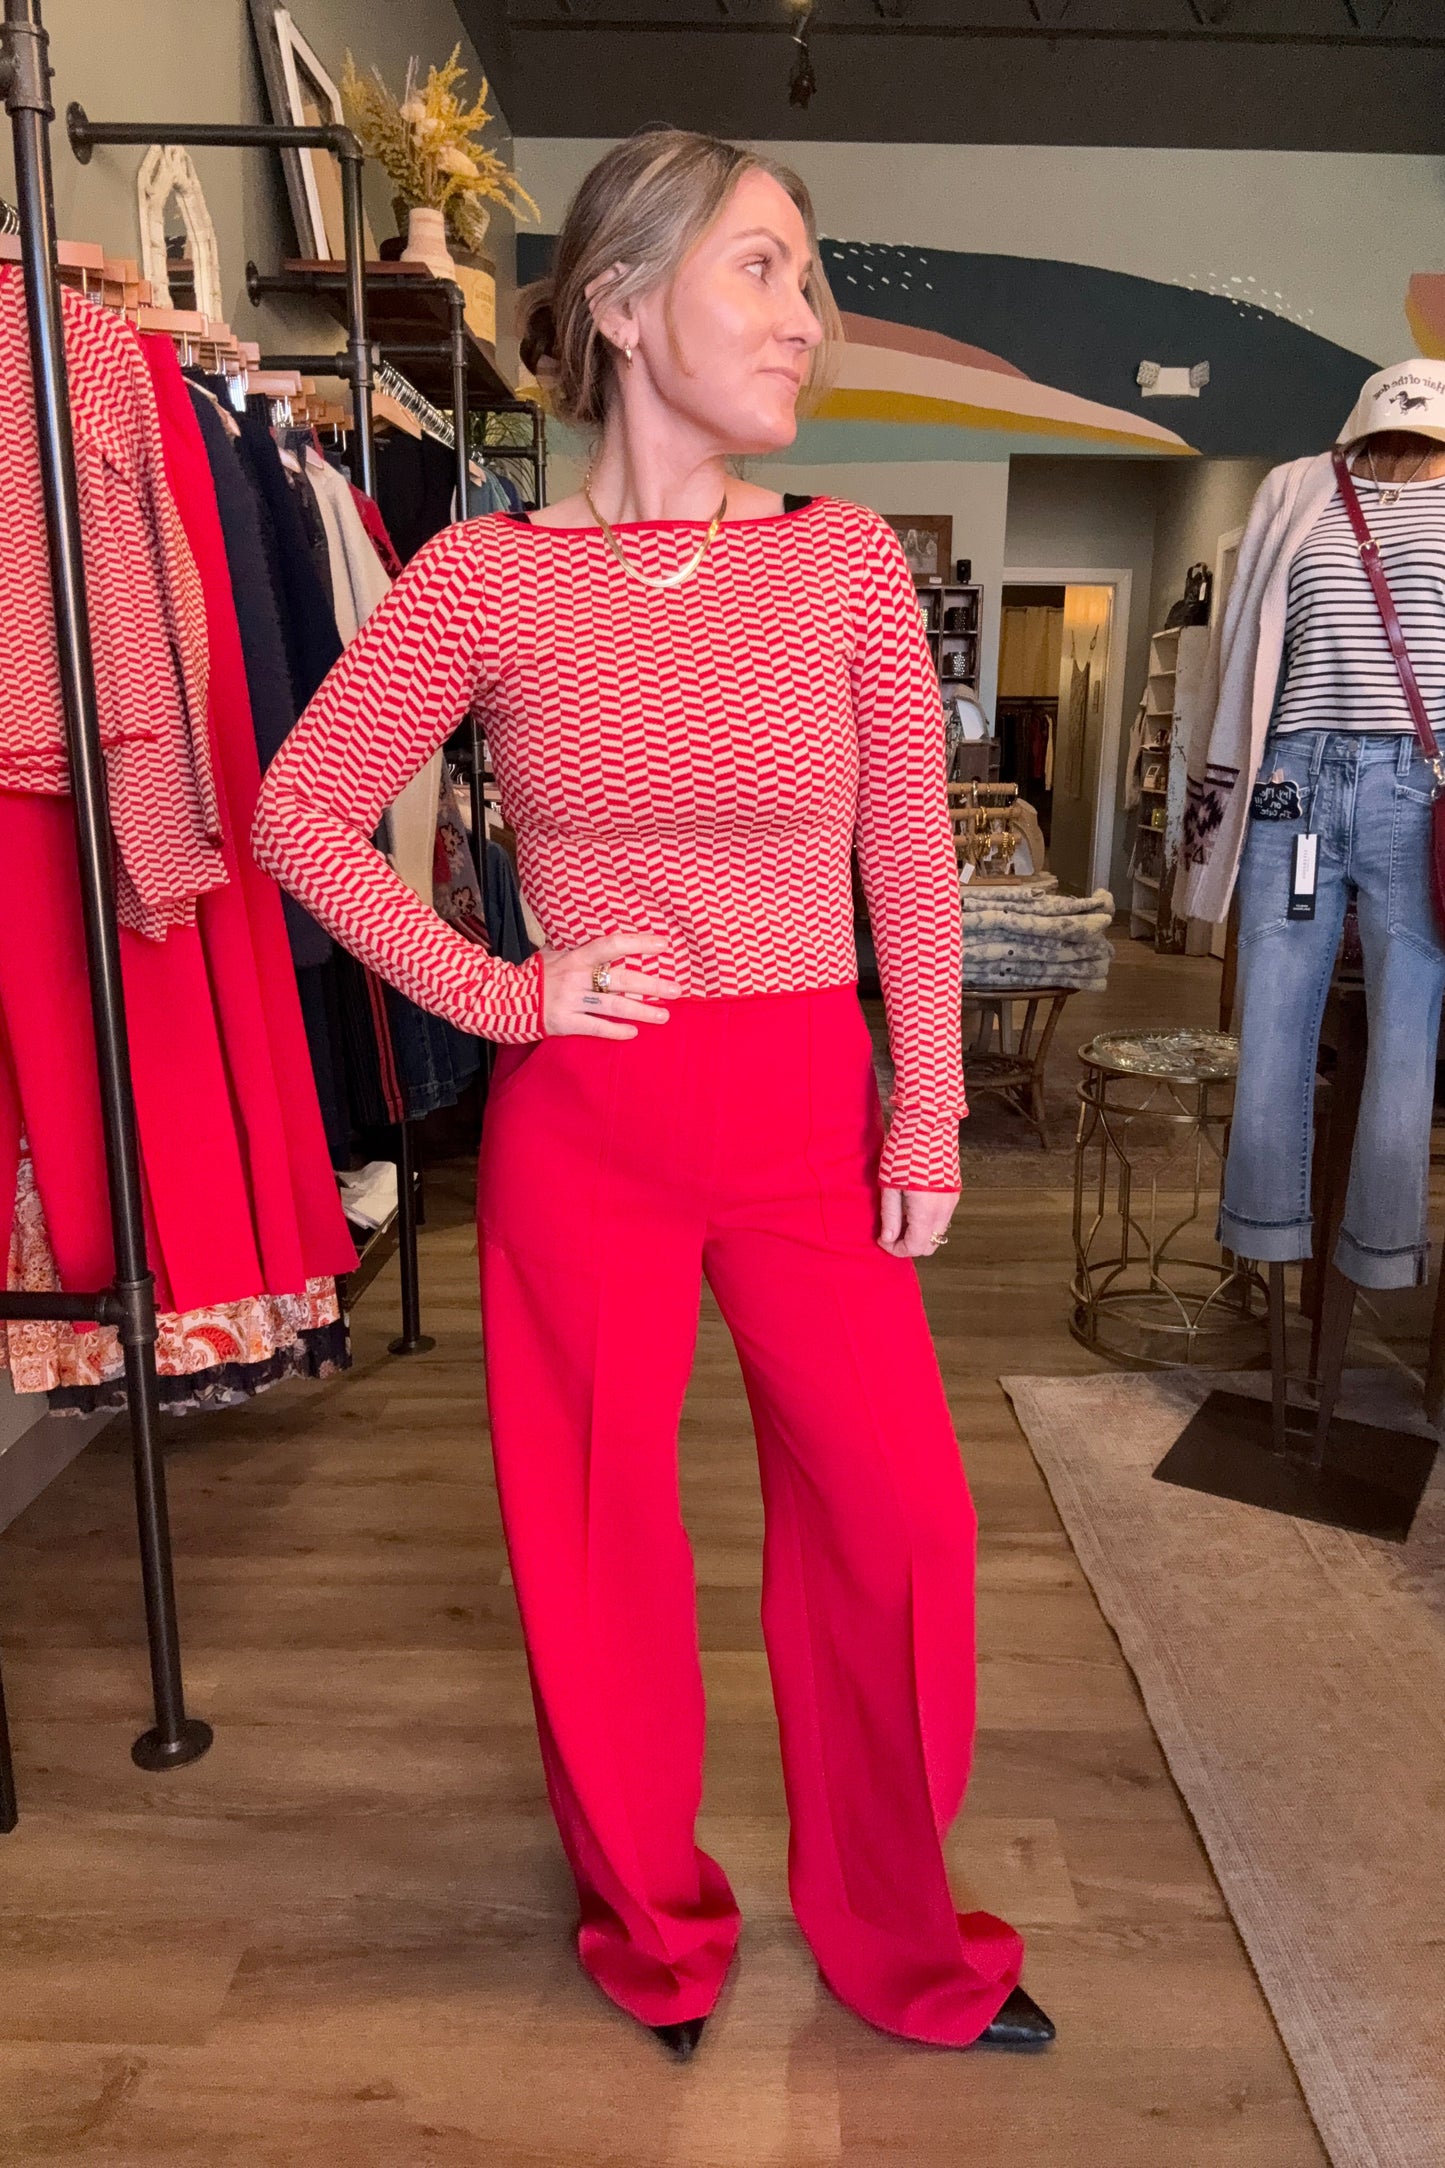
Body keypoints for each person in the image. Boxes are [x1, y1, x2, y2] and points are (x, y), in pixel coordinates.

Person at [252, 126, 1051, 2061]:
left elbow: (907, 866)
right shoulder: (484, 575)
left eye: (808, 276)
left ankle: (897, 1931)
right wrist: (498, 989)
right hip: (588, 1115)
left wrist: (925, 1104)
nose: (811, 321)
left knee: (901, 1528)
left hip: (806, 1103)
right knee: (592, 1538)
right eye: (762, 271)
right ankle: (653, 1925)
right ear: (617, 304)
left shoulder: (845, 562)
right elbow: (297, 811)